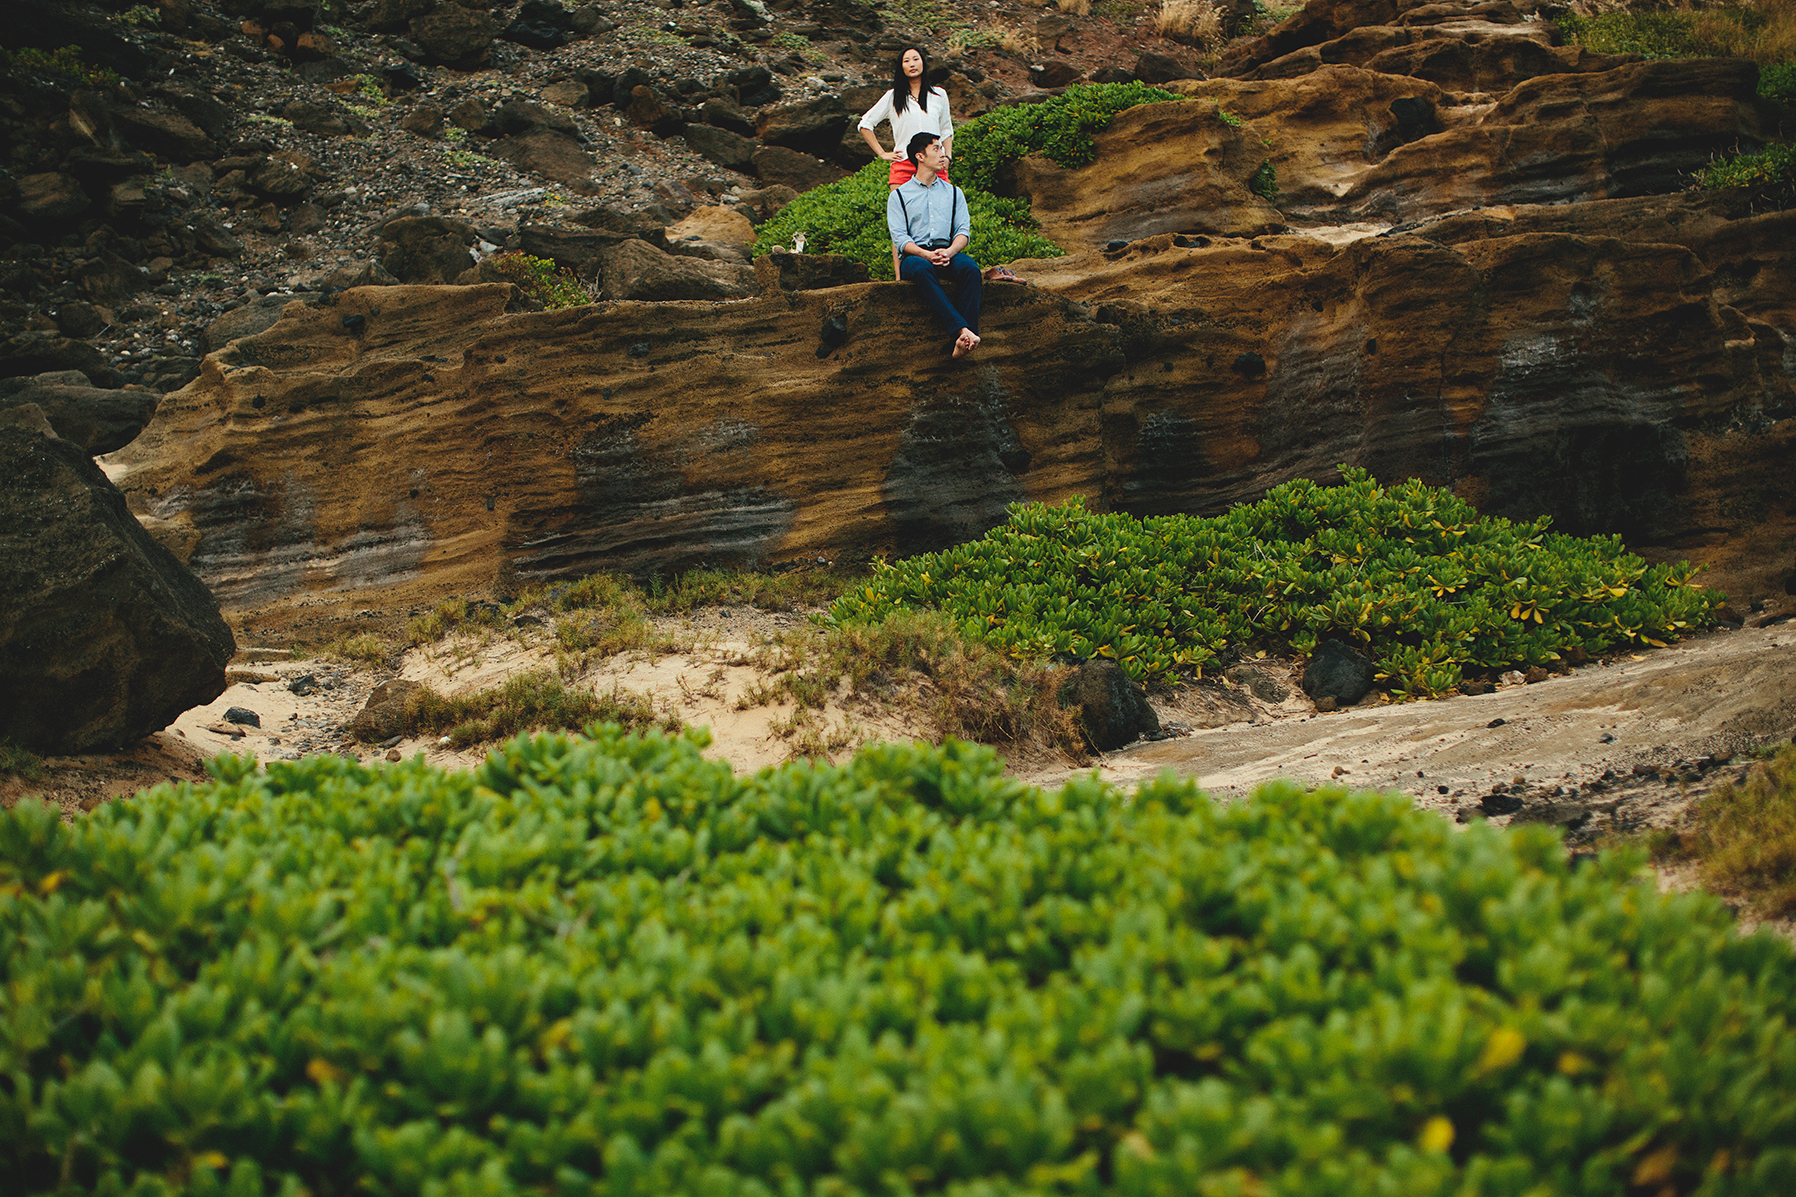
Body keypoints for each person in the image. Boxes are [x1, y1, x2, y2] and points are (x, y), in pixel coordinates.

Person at [858, 46, 953, 277]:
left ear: (923, 63)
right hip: (903, 165)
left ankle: (940, 269)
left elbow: (946, 129)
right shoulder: (893, 96)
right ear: (901, 66)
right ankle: (901, 277)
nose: (912, 64)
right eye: (906, 60)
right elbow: (865, 123)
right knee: (901, 222)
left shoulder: (939, 94)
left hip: (934, 163)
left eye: (916, 59)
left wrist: (947, 156)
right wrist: (882, 153)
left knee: (939, 217)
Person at [887, 131, 982, 358]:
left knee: (970, 269)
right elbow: (900, 239)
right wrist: (925, 255)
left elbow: (963, 232)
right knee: (921, 269)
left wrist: (949, 251)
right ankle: (963, 331)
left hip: (946, 250)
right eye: (937, 149)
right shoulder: (899, 195)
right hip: (916, 256)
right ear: (920, 156)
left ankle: (964, 342)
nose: (943, 155)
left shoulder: (953, 192)